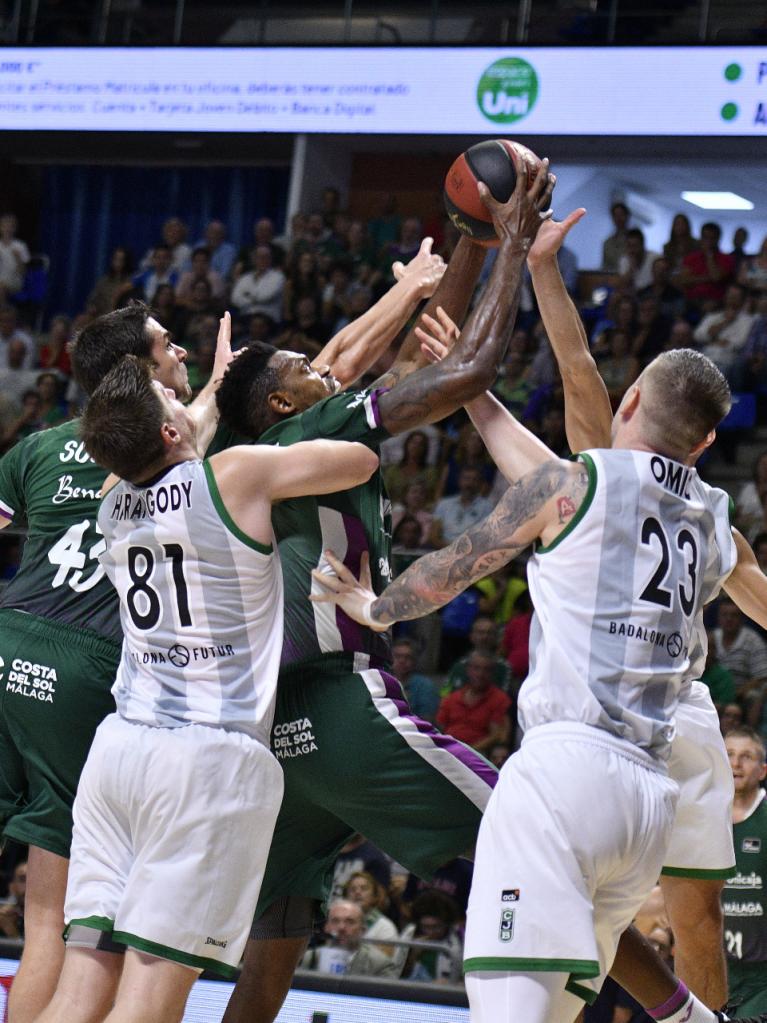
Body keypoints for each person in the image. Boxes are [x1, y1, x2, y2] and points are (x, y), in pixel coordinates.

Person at [312, 344, 750, 1023]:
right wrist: (477, 395)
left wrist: (374, 605)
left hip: (565, 779)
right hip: (645, 801)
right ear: (705, 439)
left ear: (627, 401)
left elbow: (455, 566)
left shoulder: (573, 482)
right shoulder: (711, 517)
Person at [218, 158, 555, 1023]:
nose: (326, 363)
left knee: (269, 960)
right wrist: (512, 240)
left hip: (273, 731)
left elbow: (407, 353)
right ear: (286, 401)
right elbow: (469, 363)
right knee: (538, 831)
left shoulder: (268, 453)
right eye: (305, 364)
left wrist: (468, 246)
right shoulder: (317, 425)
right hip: (339, 705)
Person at [35, 355, 377, 1023]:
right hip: (205, 760)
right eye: (172, 400)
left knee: (78, 992)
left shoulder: (111, 501)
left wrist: (198, 409)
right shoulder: (237, 474)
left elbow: (145, 451)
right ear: (167, 432)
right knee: (150, 999)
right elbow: (359, 460)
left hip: (118, 754)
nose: (184, 402)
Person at [0, 304, 232, 1023]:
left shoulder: (36, 449)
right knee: (66, 929)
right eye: (167, 344)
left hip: (9, 641)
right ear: (137, 372)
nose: (179, 350)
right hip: (86, 670)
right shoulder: (156, 450)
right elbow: (193, 427)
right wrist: (223, 384)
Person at [723, 727, 767, 1017]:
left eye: (746, 756)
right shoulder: (703, 815)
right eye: (728, 755)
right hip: (713, 966)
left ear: (762, 770)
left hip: (760, 974)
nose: (736, 763)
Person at [437, 651, 511, 752]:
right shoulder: (452, 698)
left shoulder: (499, 699)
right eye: (476, 668)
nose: (480, 674)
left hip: (480, 755)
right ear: (468, 670)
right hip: (447, 751)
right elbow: (438, 728)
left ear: (492, 673)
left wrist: (469, 752)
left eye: (486, 670)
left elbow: (497, 736)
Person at [302, 899, 398, 978]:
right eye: (335, 921)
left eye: (350, 922)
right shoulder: (309, 958)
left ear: (362, 930)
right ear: (326, 927)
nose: (341, 928)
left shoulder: (381, 965)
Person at [602, 201, 630, 272]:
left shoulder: (633, 241)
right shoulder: (607, 244)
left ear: (627, 216)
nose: (619, 218)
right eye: (616, 215)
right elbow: (605, 268)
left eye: (621, 214)